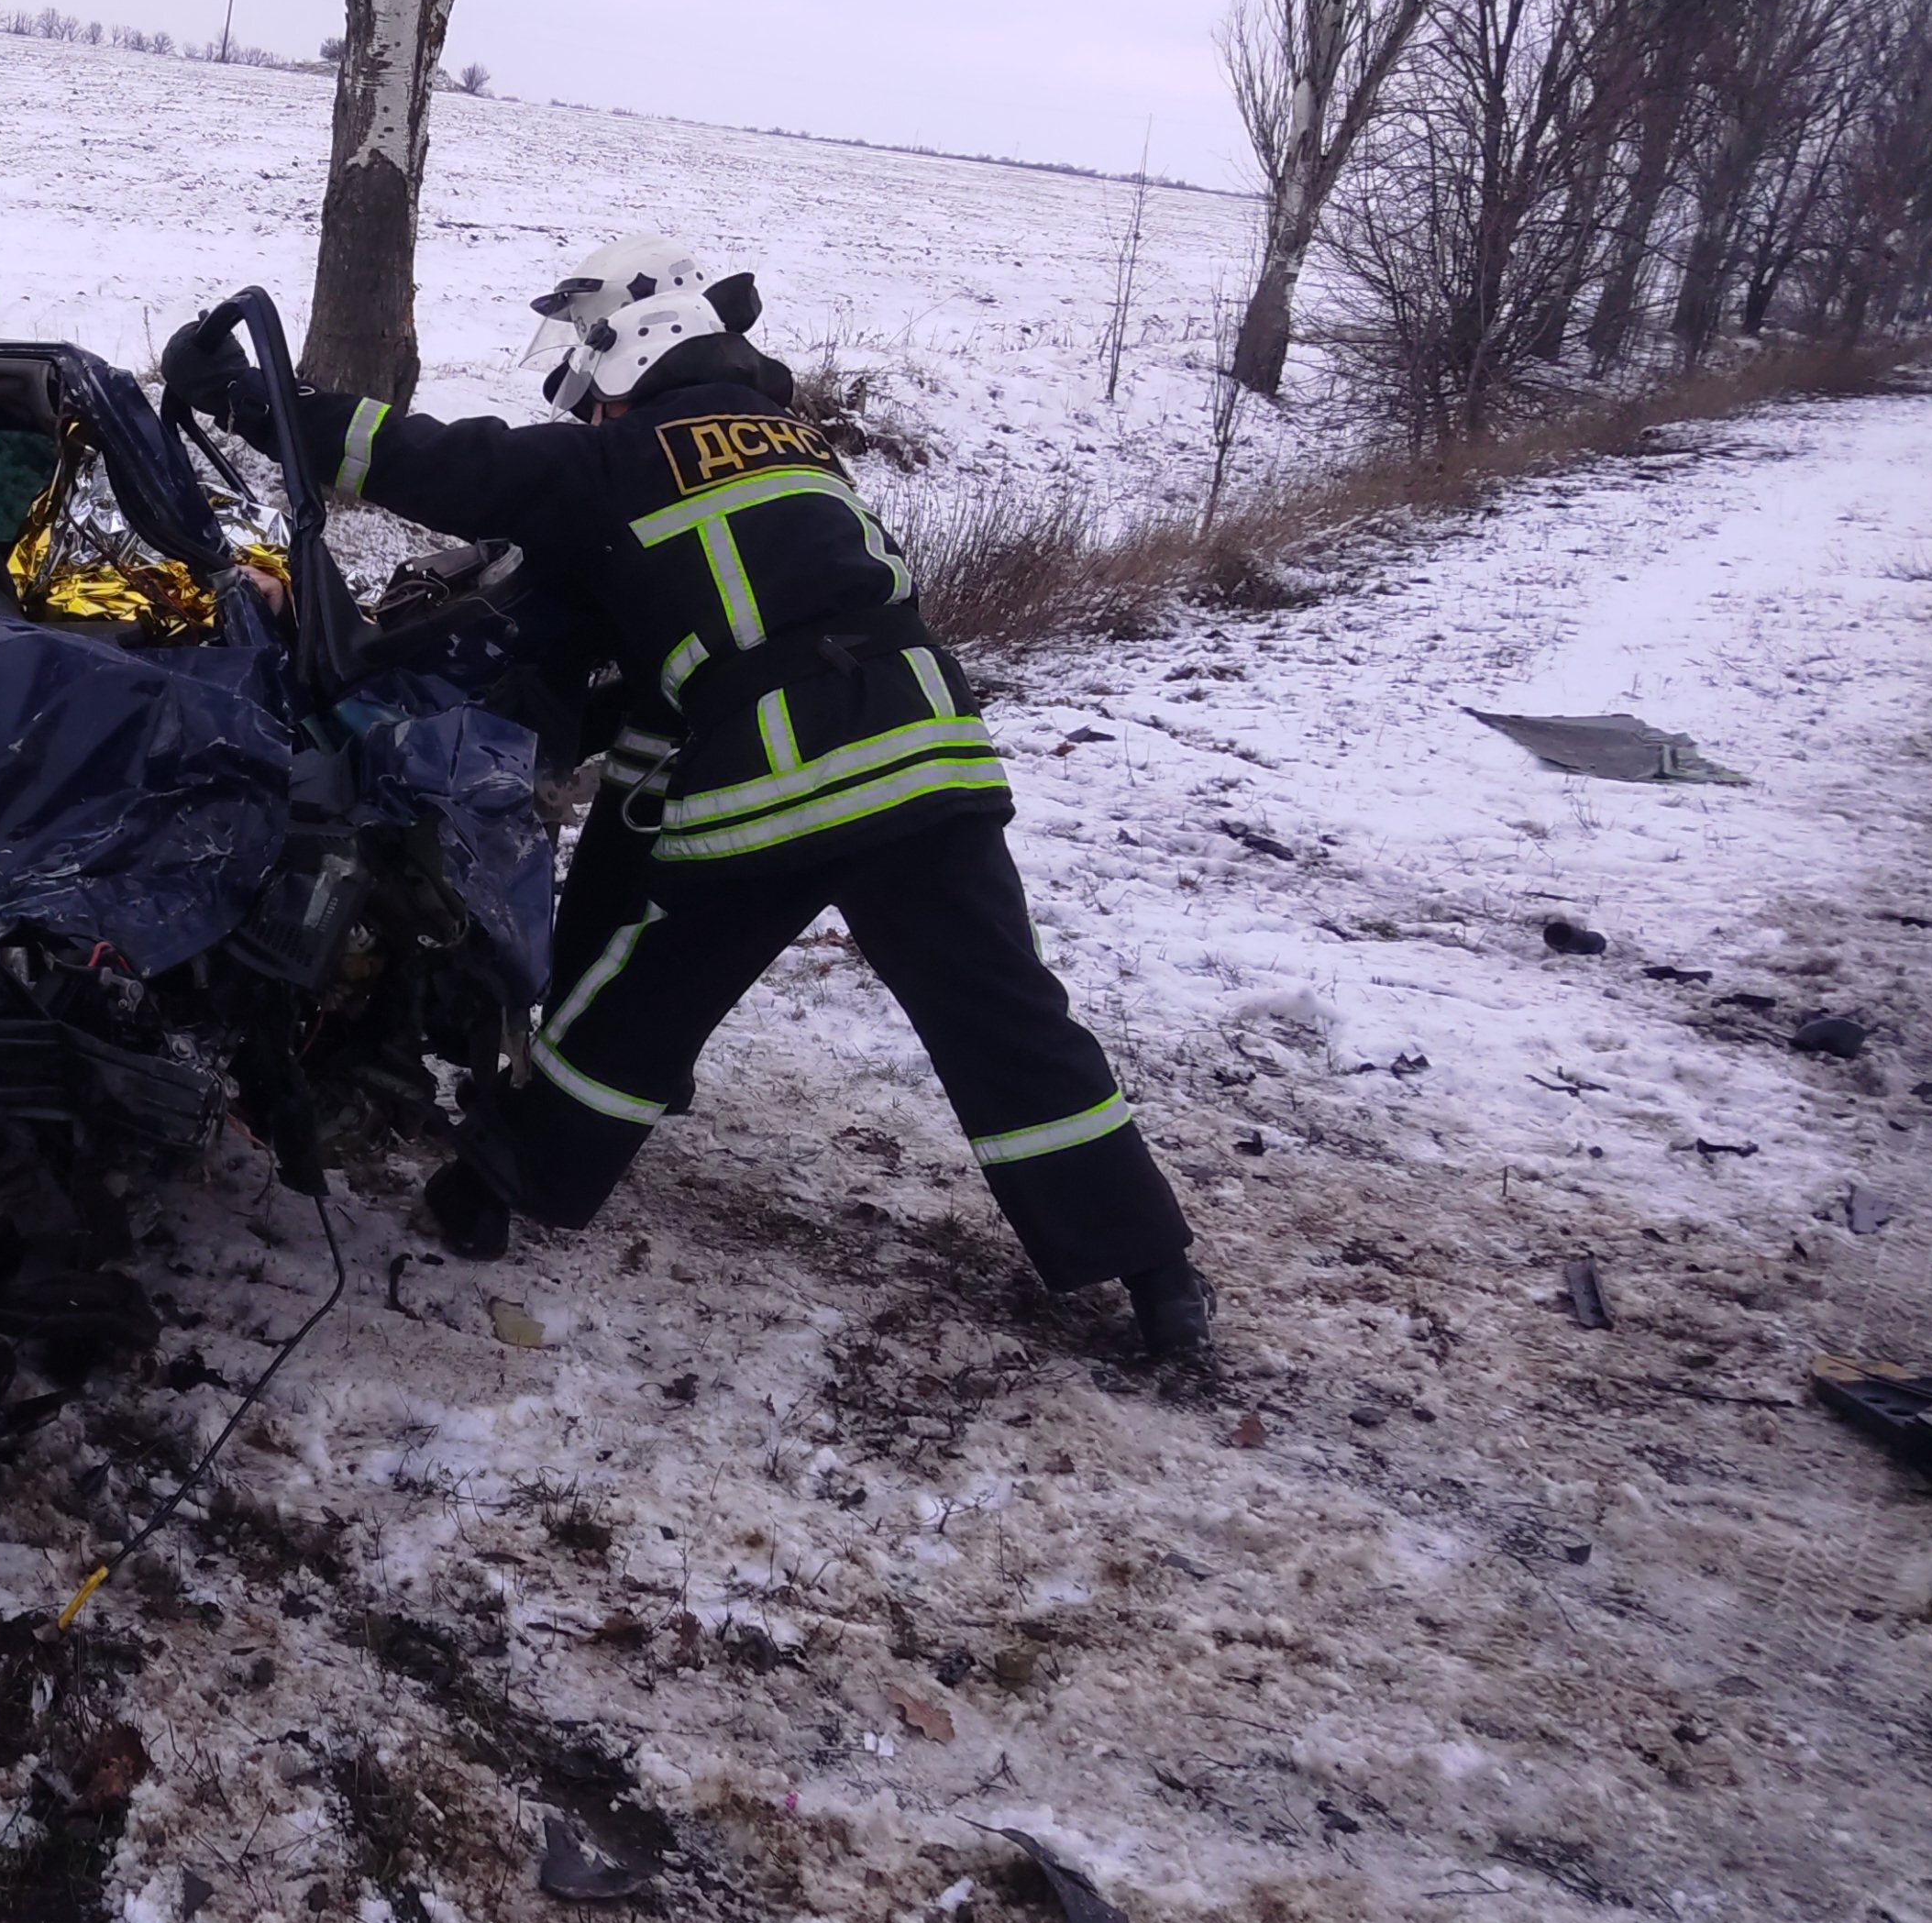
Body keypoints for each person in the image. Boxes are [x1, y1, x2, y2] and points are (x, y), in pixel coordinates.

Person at [162, 268, 1214, 1354]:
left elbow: (429, 459)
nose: (593, 416)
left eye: (598, 395)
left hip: (782, 770)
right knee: (1003, 1012)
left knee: (643, 998)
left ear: (628, 365)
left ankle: (484, 1195)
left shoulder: (622, 458)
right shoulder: (801, 446)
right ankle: (1153, 1270)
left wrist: (247, 395)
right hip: (928, 750)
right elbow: (713, 631)